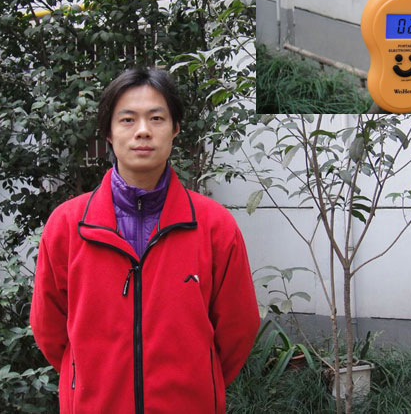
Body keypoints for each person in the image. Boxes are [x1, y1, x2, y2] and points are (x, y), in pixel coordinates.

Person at [30, 68, 260, 414]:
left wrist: (201, 381)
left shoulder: (214, 226)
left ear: (175, 129)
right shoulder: (67, 226)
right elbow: (49, 329)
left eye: (156, 118)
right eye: (127, 119)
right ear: (108, 132)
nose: (142, 131)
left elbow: (237, 328)